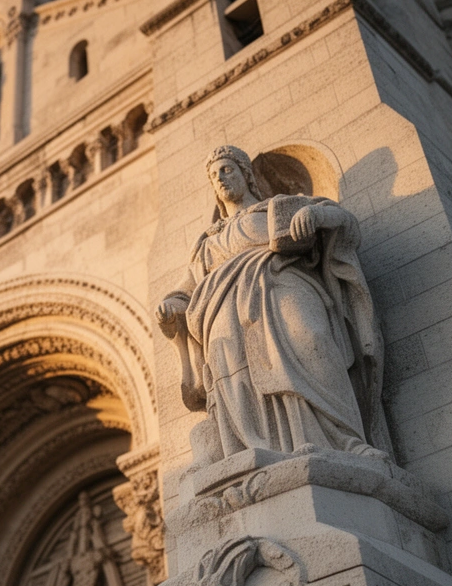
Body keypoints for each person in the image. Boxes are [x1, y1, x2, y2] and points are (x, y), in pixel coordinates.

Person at [156, 145, 391, 467]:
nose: (221, 178)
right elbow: (186, 290)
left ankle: (346, 441)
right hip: (223, 308)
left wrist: (315, 215)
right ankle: (259, 449)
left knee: (311, 339)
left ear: (246, 175)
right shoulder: (210, 240)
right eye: (214, 175)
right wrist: (171, 307)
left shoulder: (276, 208)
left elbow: (342, 219)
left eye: (227, 169)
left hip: (283, 284)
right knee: (236, 375)